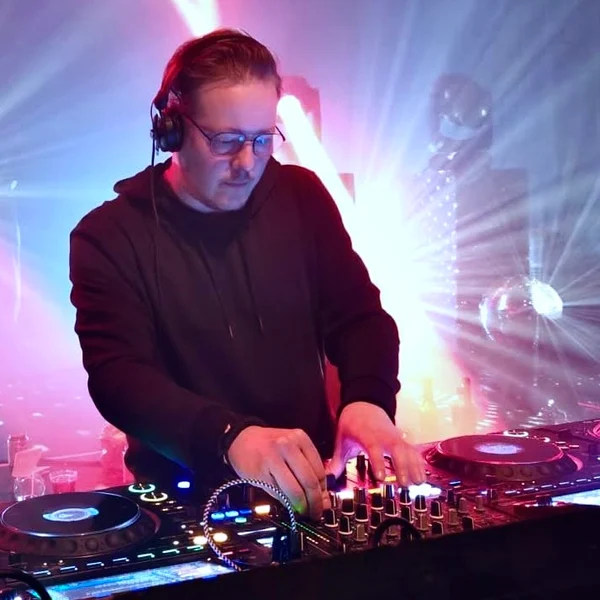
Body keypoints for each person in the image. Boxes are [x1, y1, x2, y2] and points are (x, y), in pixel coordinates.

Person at [69, 28, 425, 521]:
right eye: (227, 141)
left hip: (310, 489)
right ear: (172, 130)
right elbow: (118, 378)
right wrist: (228, 437)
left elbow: (360, 317)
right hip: (185, 501)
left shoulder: (301, 197)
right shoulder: (108, 236)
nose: (248, 163)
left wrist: (368, 399)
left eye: (262, 139)